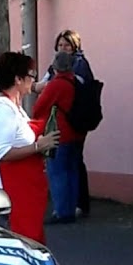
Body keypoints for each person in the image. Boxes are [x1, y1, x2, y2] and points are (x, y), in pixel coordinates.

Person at [0, 51, 59, 245]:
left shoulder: (14, 107)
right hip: (9, 188)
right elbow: (1, 152)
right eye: (30, 76)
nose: (32, 81)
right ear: (18, 79)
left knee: (30, 238)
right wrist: (37, 146)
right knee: (20, 240)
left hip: (23, 186)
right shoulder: (3, 111)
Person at [33, 51, 82, 224]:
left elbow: (37, 108)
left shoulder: (55, 85)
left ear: (55, 66)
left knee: (57, 172)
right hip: (77, 132)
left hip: (59, 133)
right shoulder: (77, 81)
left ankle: (61, 211)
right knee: (72, 171)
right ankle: (71, 208)